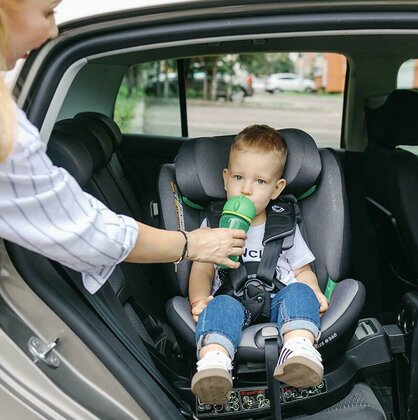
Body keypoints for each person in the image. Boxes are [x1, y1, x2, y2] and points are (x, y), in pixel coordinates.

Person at [0, 0, 246, 294]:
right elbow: (85, 232)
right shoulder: (8, 134)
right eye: (48, 12)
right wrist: (191, 243)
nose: (54, 31)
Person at [189, 125, 329, 404]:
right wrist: (199, 298)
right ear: (226, 179)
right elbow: (202, 269)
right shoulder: (213, 224)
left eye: (260, 181)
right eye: (238, 177)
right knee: (219, 307)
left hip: (279, 301)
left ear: (277, 188)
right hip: (232, 300)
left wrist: (313, 290)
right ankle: (214, 364)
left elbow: (302, 270)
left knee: (300, 292)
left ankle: (299, 350)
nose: (246, 189)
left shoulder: (285, 225)